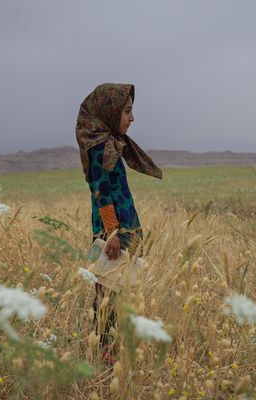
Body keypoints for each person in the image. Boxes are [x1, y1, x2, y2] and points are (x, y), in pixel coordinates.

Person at [75, 83, 162, 361]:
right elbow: (100, 192)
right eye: (127, 111)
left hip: (123, 227)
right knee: (106, 293)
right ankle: (104, 352)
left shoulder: (109, 144)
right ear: (110, 112)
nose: (131, 118)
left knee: (118, 291)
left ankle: (112, 346)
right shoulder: (100, 148)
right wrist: (112, 233)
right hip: (112, 232)